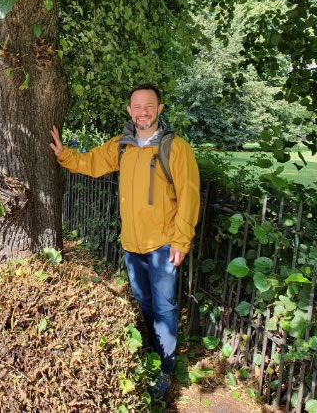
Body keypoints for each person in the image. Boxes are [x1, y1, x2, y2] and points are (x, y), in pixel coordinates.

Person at [49, 83, 200, 400]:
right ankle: (152, 350)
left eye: (149, 106)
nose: (143, 112)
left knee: (165, 307)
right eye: (137, 107)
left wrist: (181, 240)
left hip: (163, 244)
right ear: (130, 111)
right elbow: (91, 163)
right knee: (145, 304)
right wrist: (64, 155)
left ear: (159, 109)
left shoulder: (175, 147)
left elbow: (189, 196)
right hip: (132, 245)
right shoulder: (123, 145)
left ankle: (164, 371)